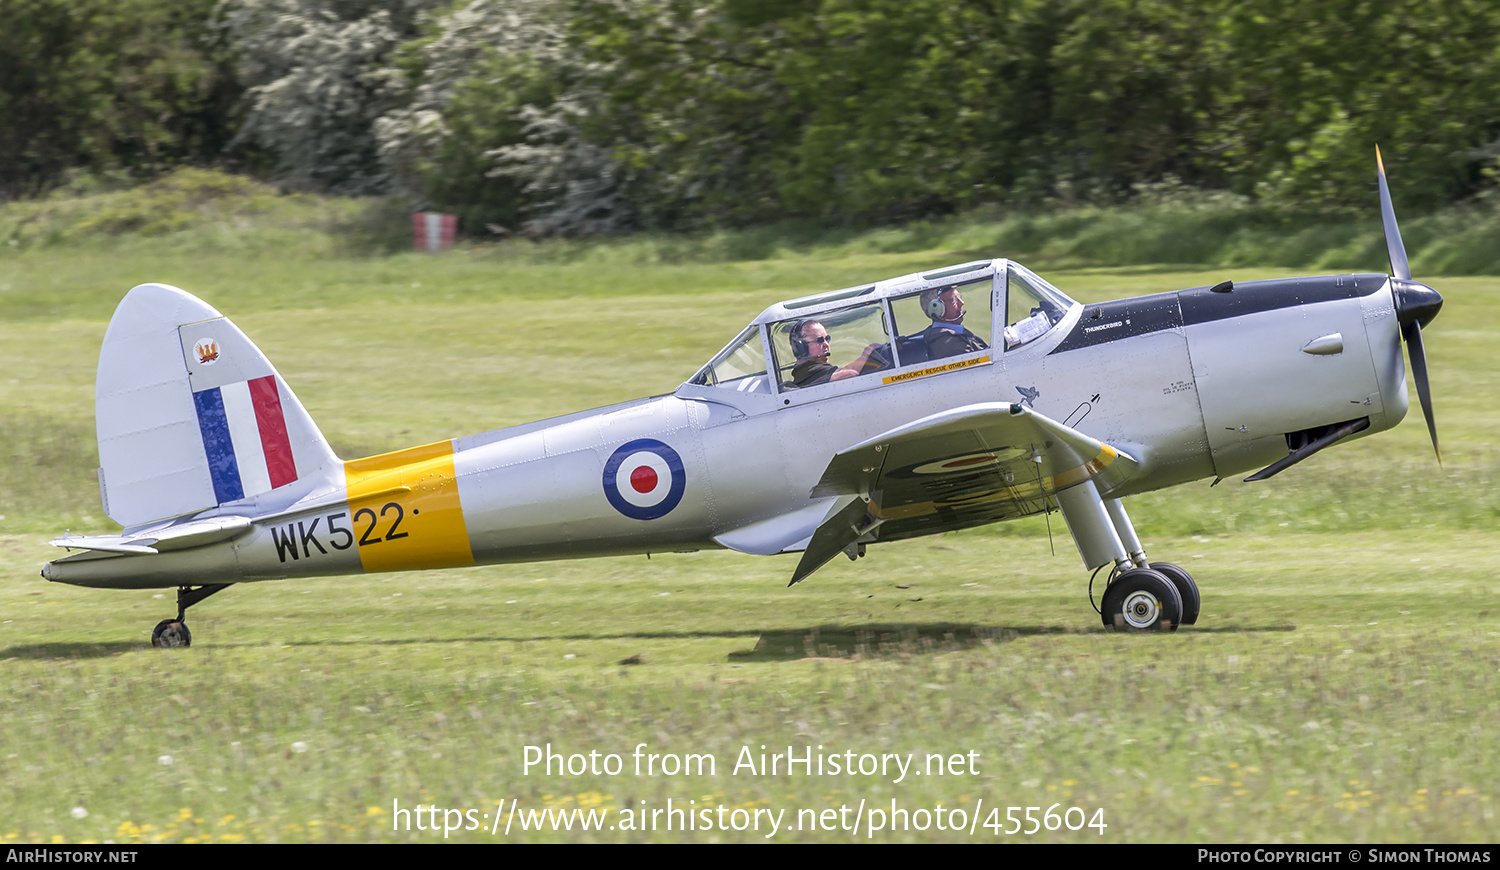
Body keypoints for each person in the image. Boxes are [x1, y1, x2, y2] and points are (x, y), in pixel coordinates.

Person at [786, 320, 886, 388]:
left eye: (827, 339)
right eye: (820, 340)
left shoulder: (809, 370)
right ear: (801, 348)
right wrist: (866, 355)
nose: (826, 344)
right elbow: (850, 374)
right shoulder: (809, 372)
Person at [918, 286, 988, 359]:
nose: (962, 303)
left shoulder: (948, 335)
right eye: (954, 300)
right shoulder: (950, 344)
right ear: (936, 308)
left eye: (959, 297)